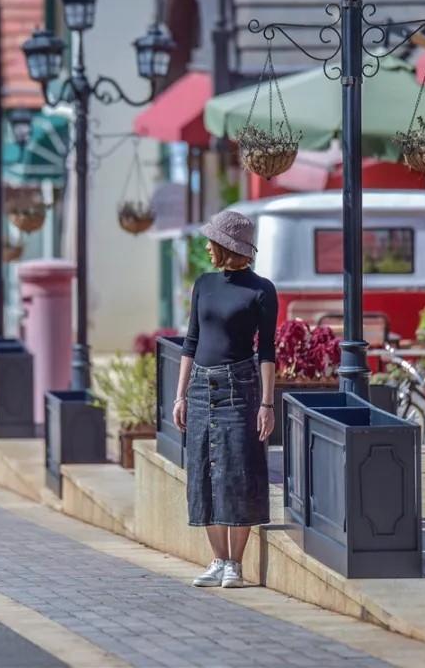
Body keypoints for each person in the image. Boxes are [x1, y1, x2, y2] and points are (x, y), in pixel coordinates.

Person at [172, 210, 277, 589]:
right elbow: (191, 342)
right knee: (203, 471)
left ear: (228, 246)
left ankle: (236, 563)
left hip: (240, 387)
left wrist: (267, 403)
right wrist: (180, 395)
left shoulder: (262, 290)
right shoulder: (203, 284)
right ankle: (217, 559)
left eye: (211, 241)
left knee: (239, 471)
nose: (206, 247)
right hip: (200, 387)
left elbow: (266, 350)